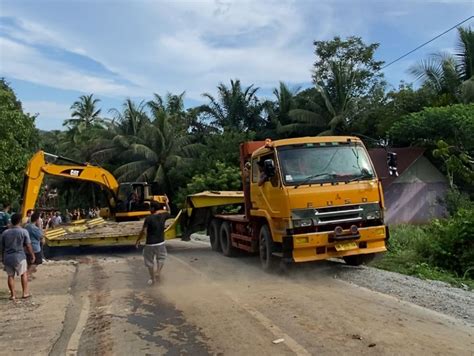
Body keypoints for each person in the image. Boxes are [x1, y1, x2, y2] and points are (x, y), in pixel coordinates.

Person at [135, 197, 170, 285]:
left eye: (150, 207)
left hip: (150, 244)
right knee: (161, 258)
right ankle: (158, 272)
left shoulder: (148, 218)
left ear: (153, 209)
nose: (149, 209)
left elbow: (144, 230)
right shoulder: (163, 216)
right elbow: (169, 211)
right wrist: (166, 203)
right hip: (161, 242)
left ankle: (153, 279)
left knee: (149, 262)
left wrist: (138, 240)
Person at [0, 213, 34, 300]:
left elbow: (2, 247)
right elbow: (28, 245)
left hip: (8, 257)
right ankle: (25, 293)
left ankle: (13, 295)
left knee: (10, 276)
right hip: (20, 256)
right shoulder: (23, 231)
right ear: (20, 221)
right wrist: (32, 255)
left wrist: (2, 257)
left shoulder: (5, 233)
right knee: (23, 274)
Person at [25, 211, 44, 277]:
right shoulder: (35, 228)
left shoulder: (26, 226)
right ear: (37, 219)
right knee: (37, 262)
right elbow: (41, 236)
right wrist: (39, 226)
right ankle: (27, 274)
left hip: (27, 247)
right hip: (35, 248)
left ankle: (29, 275)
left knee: (29, 262)